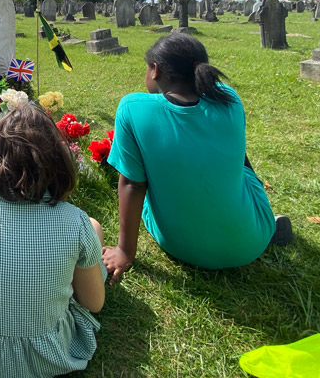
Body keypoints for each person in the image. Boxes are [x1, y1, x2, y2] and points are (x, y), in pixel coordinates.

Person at [102, 32, 291, 284]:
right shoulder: (230, 100)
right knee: (242, 168)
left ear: (155, 70)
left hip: (179, 245)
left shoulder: (132, 108)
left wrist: (125, 252)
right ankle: (265, 223)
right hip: (250, 244)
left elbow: (132, 184)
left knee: (146, 181)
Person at [0, 104, 106, 378]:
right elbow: (94, 303)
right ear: (59, 162)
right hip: (48, 357)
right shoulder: (76, 222)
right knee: (93, 231)